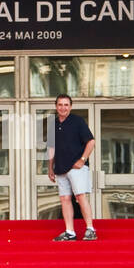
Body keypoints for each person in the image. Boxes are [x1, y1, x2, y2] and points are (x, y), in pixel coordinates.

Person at [47, 93, 97, 241]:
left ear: (71, 106)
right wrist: (50, 168)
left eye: (66, 105)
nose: (63, 108)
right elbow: (51, 148)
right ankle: (70, 232)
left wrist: (82, 159)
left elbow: (91, 142)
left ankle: (90, 229)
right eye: (60, 105)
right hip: (60, 168)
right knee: (65, 199)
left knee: (81, 196)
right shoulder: (53, 124)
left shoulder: (78, 121)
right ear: (56, 107)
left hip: (76, 168)